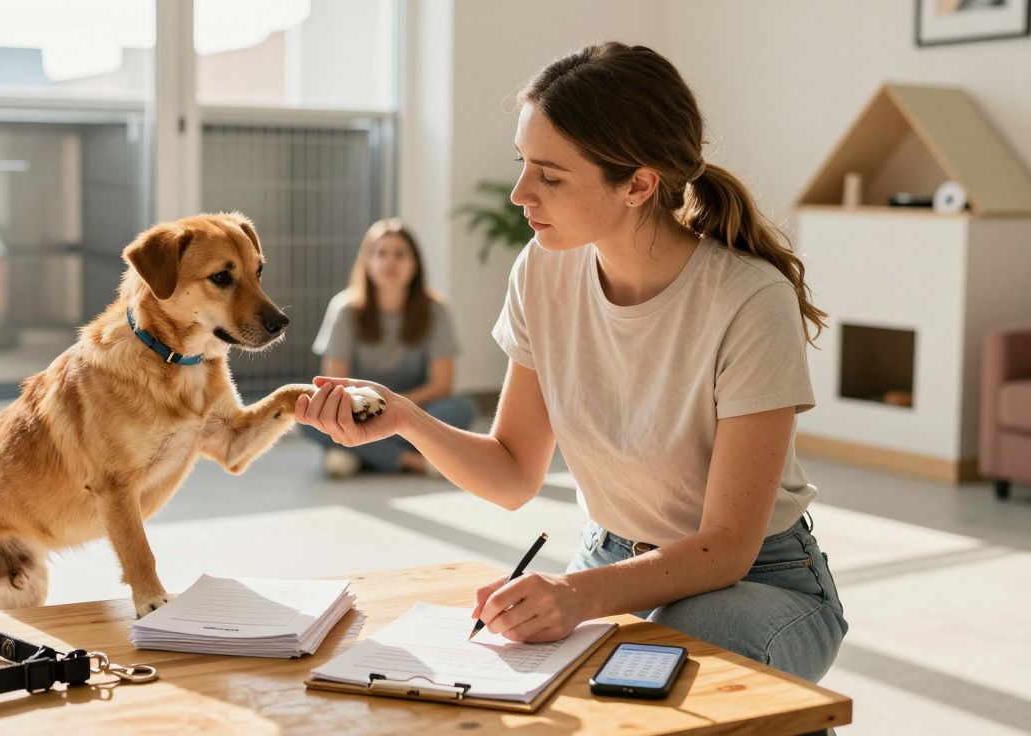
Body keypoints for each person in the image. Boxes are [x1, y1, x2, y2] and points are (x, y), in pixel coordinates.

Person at [295, 42, 847, 683]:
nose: (518, 192)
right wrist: (406, 418)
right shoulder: (541, 270)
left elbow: (726, 546)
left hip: (758, 577)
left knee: (670, 664)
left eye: (550, 176)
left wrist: (580, 596)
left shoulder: (749, 300)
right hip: (610, 558)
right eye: (523, 164)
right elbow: (511, 474)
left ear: (638, 184)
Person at [303, 218, 476, 478]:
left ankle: (359, 452)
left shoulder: (436, 310)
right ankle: (413, 460)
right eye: (381, 253)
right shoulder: (344, 309)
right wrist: (375, 412)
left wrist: (396, 410)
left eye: (400, 254)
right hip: (360, 410)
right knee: (306, 415)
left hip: (415, 410)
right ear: (368, 262)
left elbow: (442, 385)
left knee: (462, 408)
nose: (390, 262)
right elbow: (333, 385)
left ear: (414, 264)